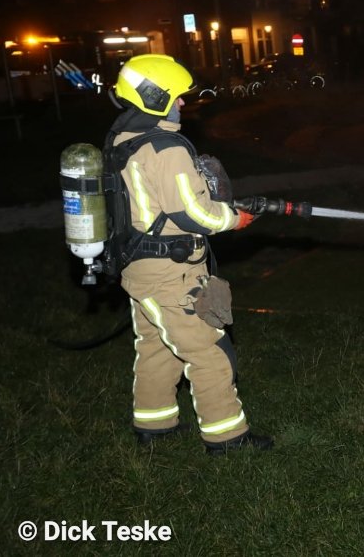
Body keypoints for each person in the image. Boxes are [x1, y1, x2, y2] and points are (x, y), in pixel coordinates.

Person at [106, 54, 272, 455]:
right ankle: (227, 438)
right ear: (154, 96)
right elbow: (192, 213)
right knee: (208, 353)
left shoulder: (123, 139)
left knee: (156, 347)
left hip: (139, 268)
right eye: (177, 97)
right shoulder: (166, 148)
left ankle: (154, 424)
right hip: (170, 273)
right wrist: (235, 219)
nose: (183, 104)